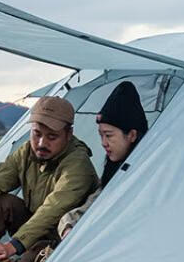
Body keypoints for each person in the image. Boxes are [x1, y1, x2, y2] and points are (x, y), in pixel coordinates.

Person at [0, 95, 98, 262]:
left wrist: (13, 246)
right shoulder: (27, 152)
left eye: (52, 137)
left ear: (68, 134)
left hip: (59, 240)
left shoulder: (78, 165)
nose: (42, 143)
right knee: (1, 202)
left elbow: (52, 211)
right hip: (32, 231)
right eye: (37, 134)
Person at [56, 81, 149, 240]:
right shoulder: (114, 170)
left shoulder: (149, 170)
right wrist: (68, 226)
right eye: (101, 135)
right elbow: (90, 206)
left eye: (109, 135)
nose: (103, 143)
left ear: (132, 135)